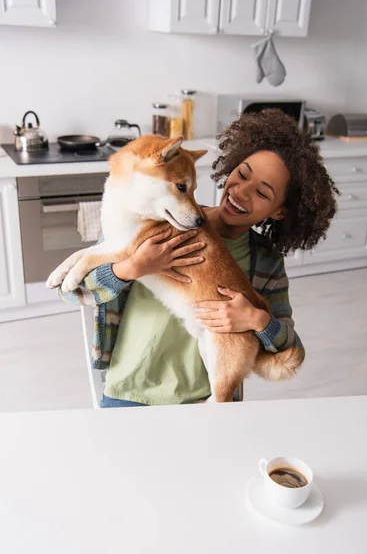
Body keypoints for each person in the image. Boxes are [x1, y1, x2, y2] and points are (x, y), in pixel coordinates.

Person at [60, 109, 338, 407]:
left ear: (279, 211)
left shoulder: (266, 261)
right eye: (242, 174)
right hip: (130, 387)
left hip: (205, 400)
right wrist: (132, 268)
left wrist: (257, 319)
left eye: (262, 192)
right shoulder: (161, 211)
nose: (242, 191)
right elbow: (74, 293)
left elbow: (290, 349)